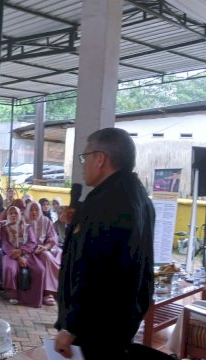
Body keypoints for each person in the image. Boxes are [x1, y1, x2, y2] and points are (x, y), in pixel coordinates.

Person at [55, 127, 154, 359]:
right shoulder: (138, 196)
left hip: (94, 327)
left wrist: (72, 326)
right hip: (121, 321)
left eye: (85, 157)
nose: (83, 164)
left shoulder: (103, 203)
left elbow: (92, 271)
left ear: (100, 159)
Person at [0, 206, 46, 308]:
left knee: (39, 269)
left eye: (16, 213)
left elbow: (32, 242)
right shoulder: (4, 228)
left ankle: (33, 298)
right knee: (10, 268)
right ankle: (13, 294)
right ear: (8, 215)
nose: (13, 215)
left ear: (20, 215)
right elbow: (5, 244)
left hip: (27, 254)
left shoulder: (27, 227)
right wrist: (18, 257)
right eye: (11, 213)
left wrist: (22, 251)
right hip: (11, 254)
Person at [24, 201, 61, 306]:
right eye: (31, 209)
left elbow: (52, 238)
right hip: (28, 251)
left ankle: (59, 289)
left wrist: (45, 247)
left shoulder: (46, 221)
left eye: (36, 209)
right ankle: (48, 292)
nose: (34, 212)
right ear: (27, 210)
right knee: (47, 256)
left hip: (43, 248)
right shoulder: (23, 220)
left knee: (61, 253)